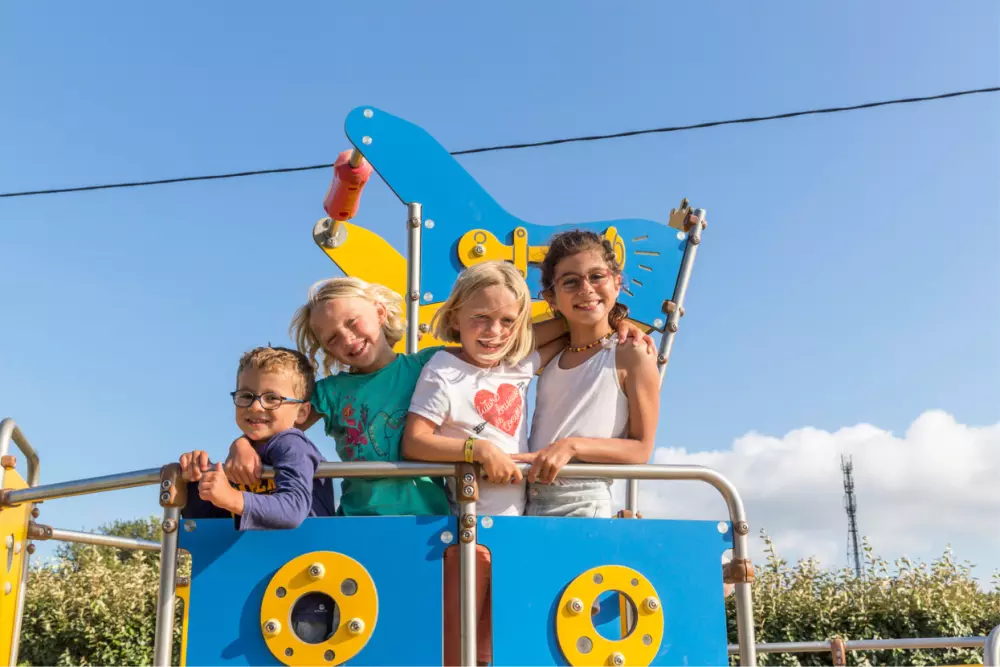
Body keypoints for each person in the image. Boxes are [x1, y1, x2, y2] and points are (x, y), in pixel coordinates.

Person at [401, 260, 651, 665]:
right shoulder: (444, 369)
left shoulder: (516, 364)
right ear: (456, 317)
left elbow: (576, 323)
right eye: (480, 318)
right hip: (467, 526)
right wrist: (478, 450)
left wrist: (622, 323)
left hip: (518, 523)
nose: (494, 332)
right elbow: (415, 441)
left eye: (507, 321)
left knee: (509, 640)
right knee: (459, 647)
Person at [513, 229, 660, 518]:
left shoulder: (631, 352)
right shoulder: (554, 354)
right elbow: (509, 342)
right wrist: (615, 319)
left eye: (597, 276)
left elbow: (641, 449)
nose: (586, 289)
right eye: (570, 281)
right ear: (551, 297)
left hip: (583, 502)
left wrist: (572, 447)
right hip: (528, 499)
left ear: (617, 283)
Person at [178, 346, 335, 530]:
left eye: (272, 398)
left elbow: (293, 509)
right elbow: (211, 523)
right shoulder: (242, 455)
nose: (255, 406)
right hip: (262, 547)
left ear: (301, 412)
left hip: (309, 547)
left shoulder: (292, 444)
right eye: (246, 396)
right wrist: (195, 480)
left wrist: (232, 498)